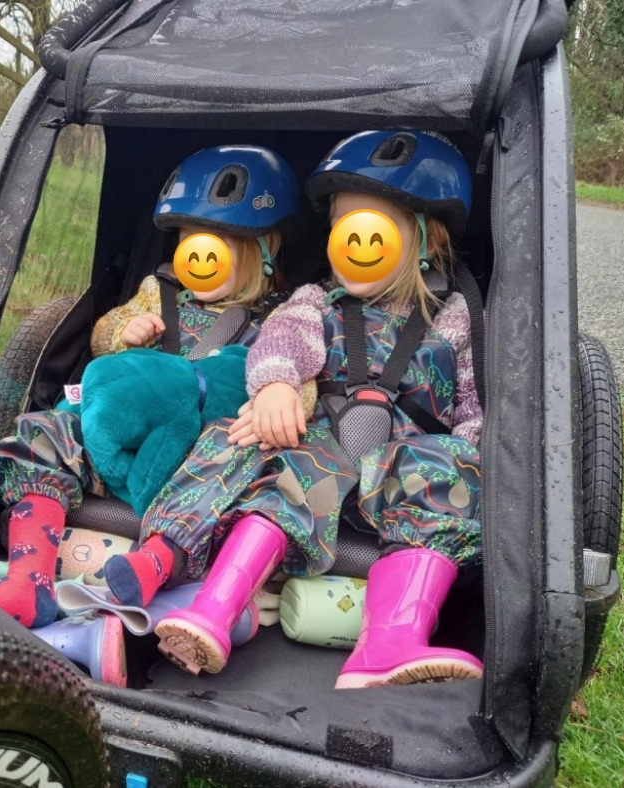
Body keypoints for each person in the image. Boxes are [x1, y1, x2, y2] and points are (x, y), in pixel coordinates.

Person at [110, 131, 484, 687]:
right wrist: (277, 386)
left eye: (367, 224)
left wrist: (474, 451)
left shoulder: (453, 315)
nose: (350, 240)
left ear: (424, 237)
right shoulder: (315, 300)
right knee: (258, 441)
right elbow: (282, 338)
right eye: (341, 226)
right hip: (316, 467)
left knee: (454, 460)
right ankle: (211, 608)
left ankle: (390, 641)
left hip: (408, 477)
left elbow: (473, 402)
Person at [0, 144, 304, 629]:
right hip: (123, 431)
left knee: (240, 448)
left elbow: (298, 377)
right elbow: (105, 332)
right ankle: (29, 579)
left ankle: (153, 563)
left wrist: (272, 401)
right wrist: (121, 334)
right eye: (189, 240)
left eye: (216, 243)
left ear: (263, 248)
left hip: (197, 449)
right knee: (52, 427)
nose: (197, 255)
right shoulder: (160, 290)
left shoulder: (281, 318)